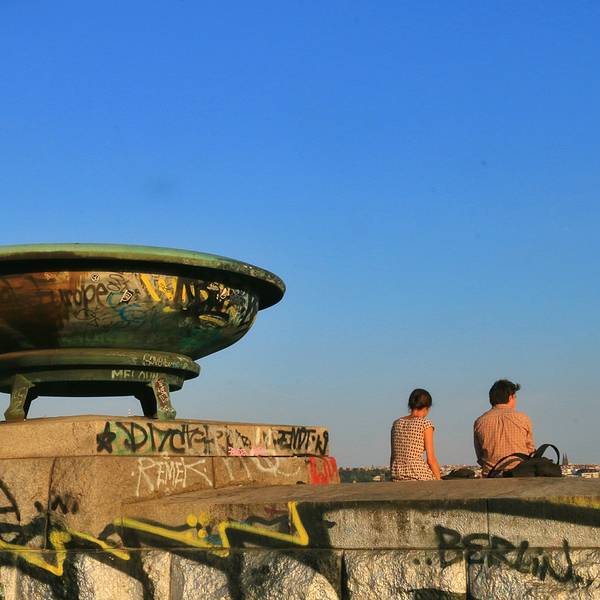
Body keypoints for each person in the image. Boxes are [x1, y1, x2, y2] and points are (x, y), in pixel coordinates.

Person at [474, 379, 535, 476]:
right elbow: (530, 450)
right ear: (510, 397)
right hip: (520, 473)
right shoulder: (523, 418)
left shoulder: (480, 421)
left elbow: (480, 456)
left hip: (491, 474)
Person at [390, 388, 441, 481]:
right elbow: (431, 460)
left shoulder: (396, 423)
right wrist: (439, 480)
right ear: (427, 407)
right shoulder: (425, 424)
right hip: (418, 474)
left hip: (397, 475)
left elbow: (393, 456)